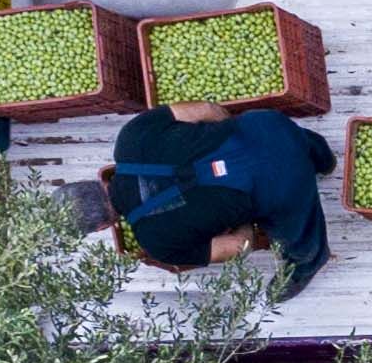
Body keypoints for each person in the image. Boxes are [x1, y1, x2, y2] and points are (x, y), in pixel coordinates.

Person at [101, 96, 331, 295]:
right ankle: (325, 160)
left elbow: (240, 246)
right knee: (287, 140)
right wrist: (234, 140)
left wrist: (238, 217)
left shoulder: (156, 242)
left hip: (285, 186)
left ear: (102, 226)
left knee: (301, 239)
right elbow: (209, 110)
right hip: (267, 124)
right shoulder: (130, 137)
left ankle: (307, 265)